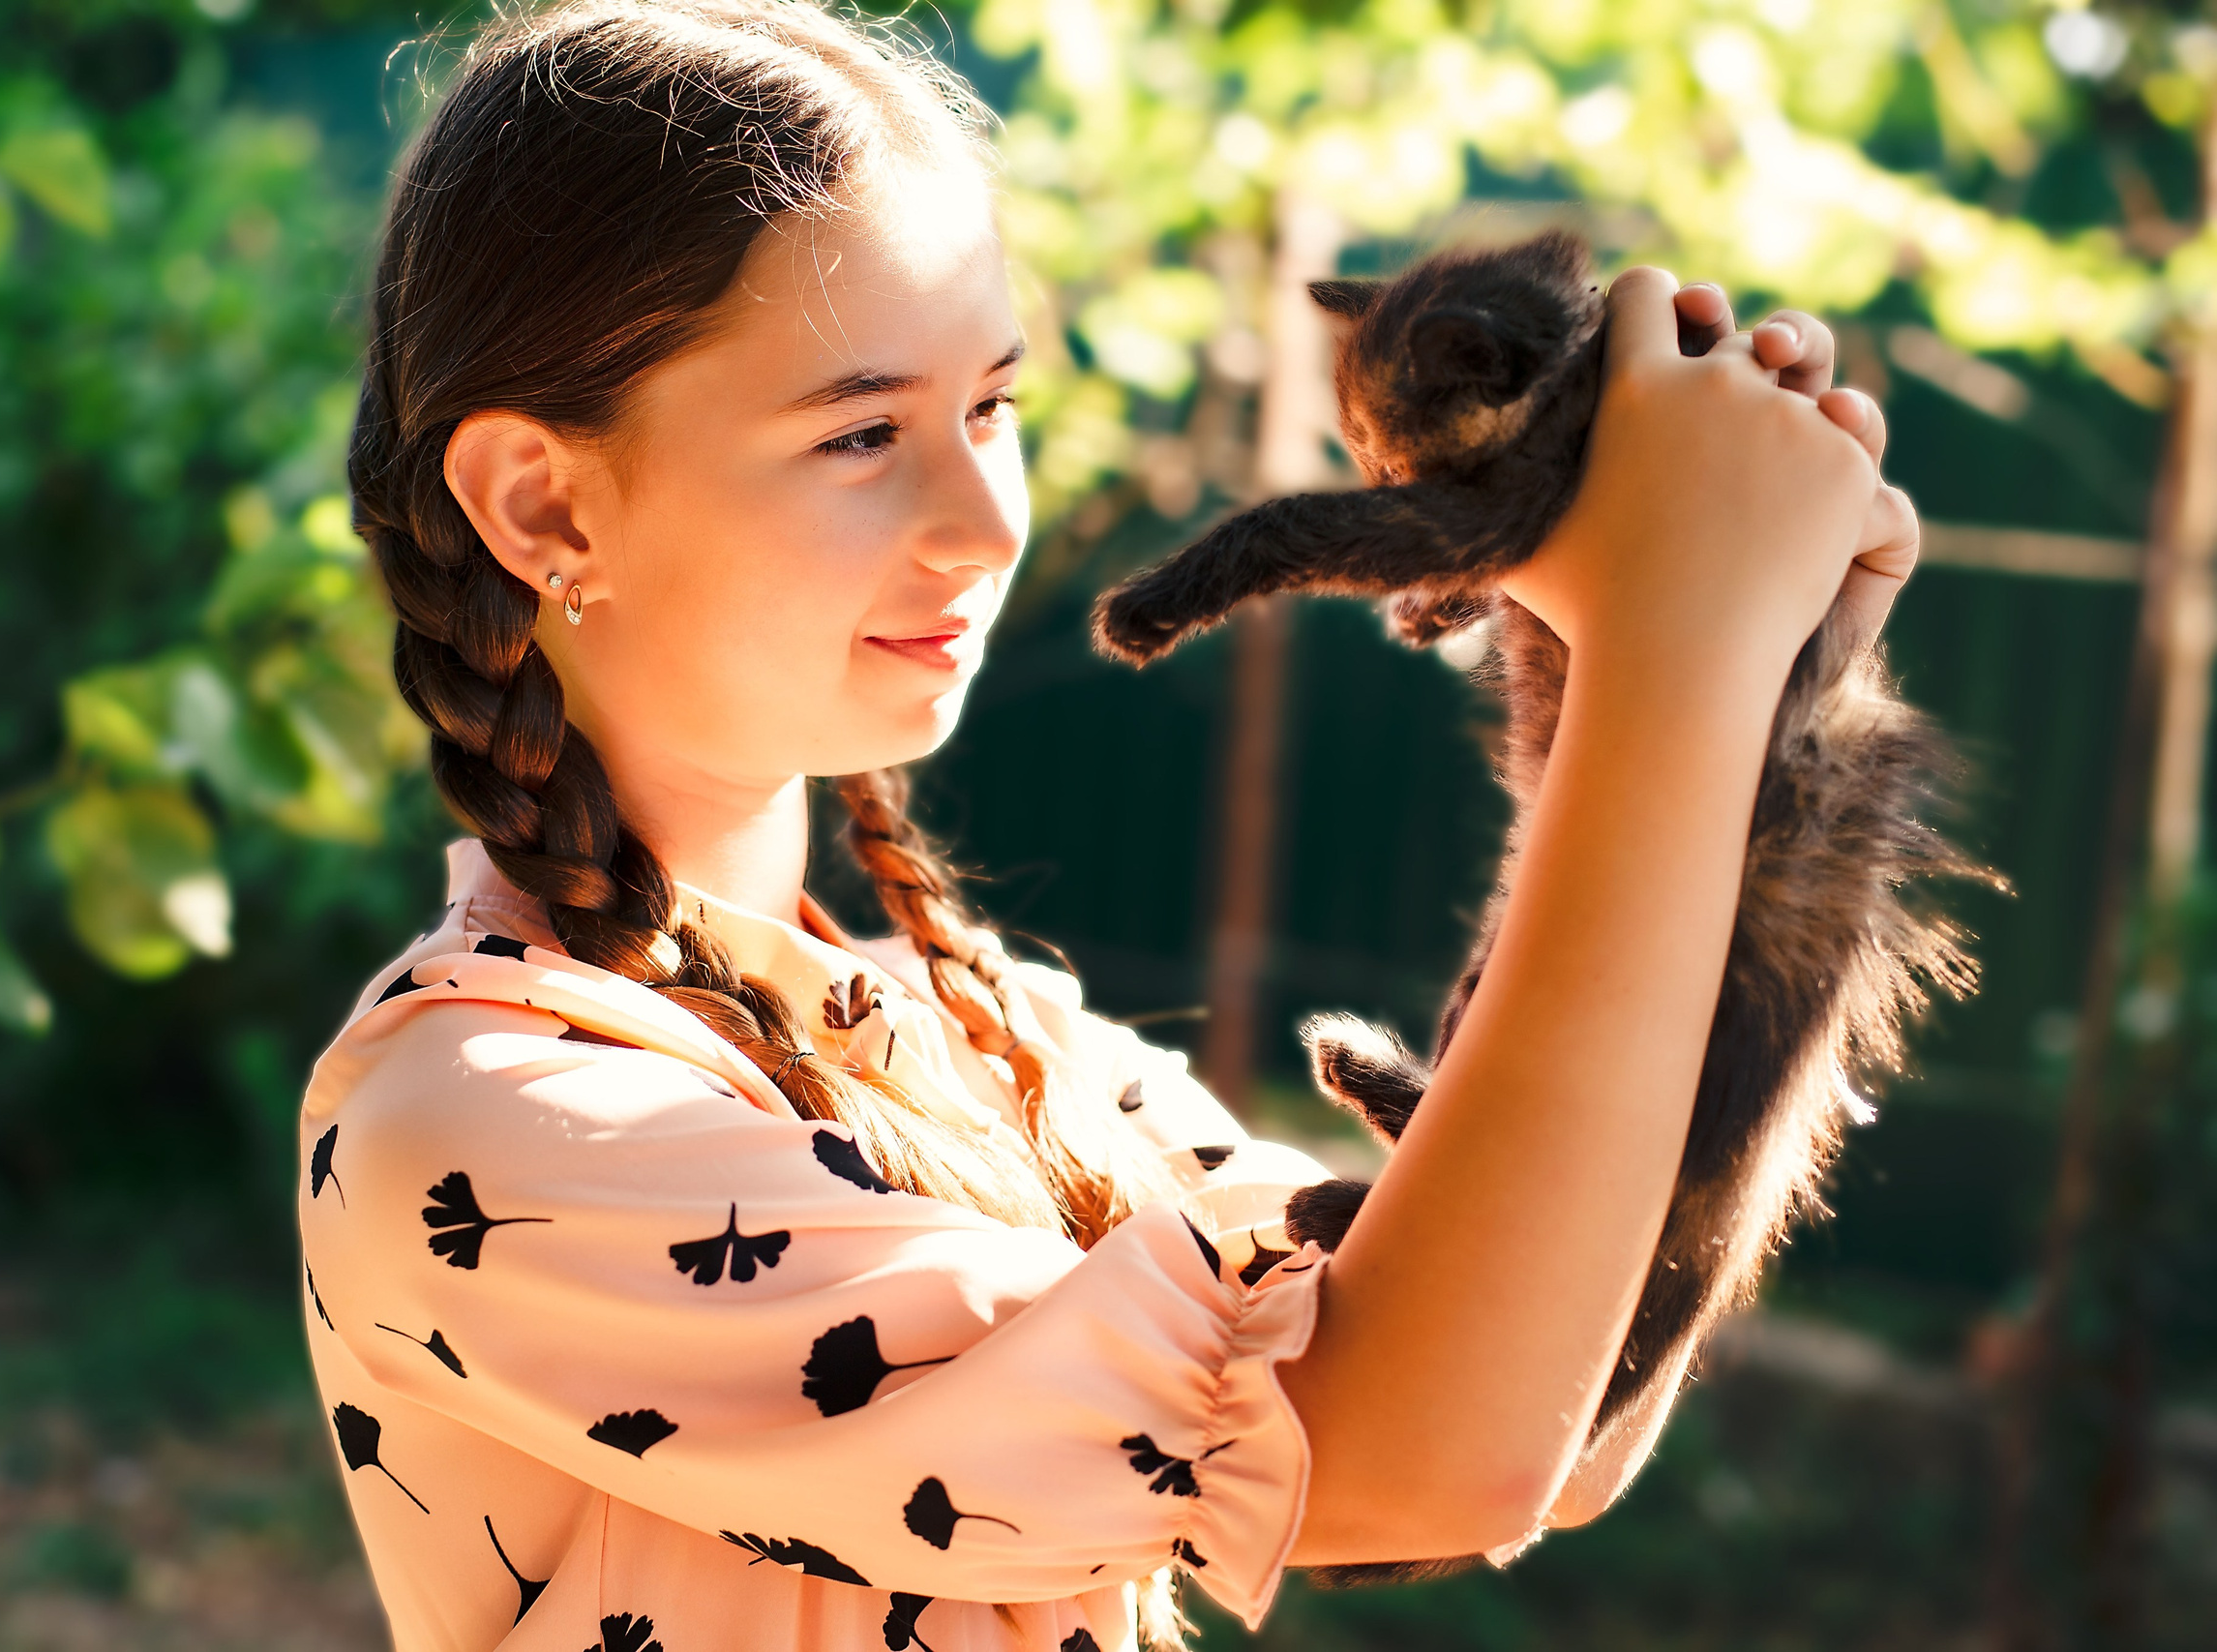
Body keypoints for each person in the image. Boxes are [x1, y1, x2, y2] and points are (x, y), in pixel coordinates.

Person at [297, 2, 1921, 1647]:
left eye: (990, 410)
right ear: (545, 503)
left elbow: (1555, 1392)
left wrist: (1746, 723)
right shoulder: (480, 1120)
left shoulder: (1003, 1044)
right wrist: (1672, 656)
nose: (984, 519)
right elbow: (1415, 1452)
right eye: (862, 433)